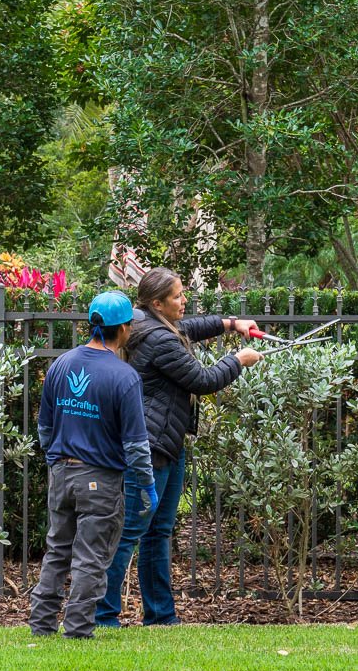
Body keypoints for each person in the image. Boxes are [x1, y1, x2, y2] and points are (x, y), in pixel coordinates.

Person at [95, 268, 262, 628]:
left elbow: (192, 327)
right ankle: (104, 615)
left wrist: (233, 323)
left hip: (168, 443)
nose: (184, 301)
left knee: (159, 531)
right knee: (131, 533)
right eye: (177, 296)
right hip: (151, 447)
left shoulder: (145, 322)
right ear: (158, 303)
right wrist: (238, 360)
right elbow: (202, 380)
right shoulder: (159, 340)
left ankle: (161, 616)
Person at [29, 290, 157, 639]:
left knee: (57, 550)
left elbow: (44, 426)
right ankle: (78, 629)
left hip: (62, 474)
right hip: (99, 479)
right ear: (125, 329)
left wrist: (55, 462)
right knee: (90, 557)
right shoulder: (124, 377)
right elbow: (135, 444)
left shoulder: (61, 364)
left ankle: (41, 625)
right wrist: (147, 487)